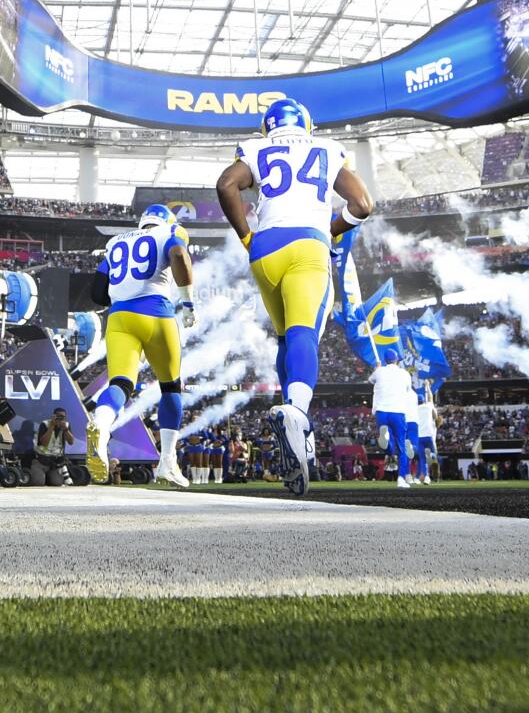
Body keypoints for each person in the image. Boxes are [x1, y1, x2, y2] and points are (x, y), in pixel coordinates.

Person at [215, 97, 373, 496]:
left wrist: (246, 236)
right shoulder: (327, 148)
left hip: (264, 250)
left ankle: (294, 420)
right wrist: (333, 228)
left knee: (286, 337)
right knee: (304, 334)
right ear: (307, 124)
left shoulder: (255, 147)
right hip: (307, 245)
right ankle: (299, 419)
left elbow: (226, 184)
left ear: (269, 126)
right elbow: (363, 205)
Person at [85, 204, 194, 489]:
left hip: (119, 318)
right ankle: (167, 461)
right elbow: (179, 254)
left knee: (121, 384)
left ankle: (102, 424)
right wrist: (188, 300)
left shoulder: (115, 242)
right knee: (170, 387)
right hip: (157, 313)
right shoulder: (171, 231)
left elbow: (97, 293)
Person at [371, 356, 416, 489]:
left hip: (381, 411)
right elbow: (408, 390)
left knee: (389, 445)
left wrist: (377, 368)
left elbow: (371, 380)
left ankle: (387, 442)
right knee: (401, 446)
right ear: (397, 360)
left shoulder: (380, 371)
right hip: (398, 411)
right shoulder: (404, 374)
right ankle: (401, 479)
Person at [33, 407, 74, 486]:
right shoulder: (45, 424)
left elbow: (71, 442)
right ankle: (41, 475)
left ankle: (49, 477)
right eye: (58, 416)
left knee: (57, 483)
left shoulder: (66, 425)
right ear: (54, 416)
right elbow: (44, 443)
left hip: (55, 463)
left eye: (63, 417)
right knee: (38, 482)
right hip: (41, 460)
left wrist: (65, 429)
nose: (60, 419)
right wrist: (52, 426)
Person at [411, 380, 437, 485]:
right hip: (429, 435)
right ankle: (432, 455)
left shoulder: (414, 409)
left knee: (422, 459)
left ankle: (426, 477)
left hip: (419, 437)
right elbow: (430, 397)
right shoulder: (428, 406)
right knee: (434, 452)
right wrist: (427, 386)